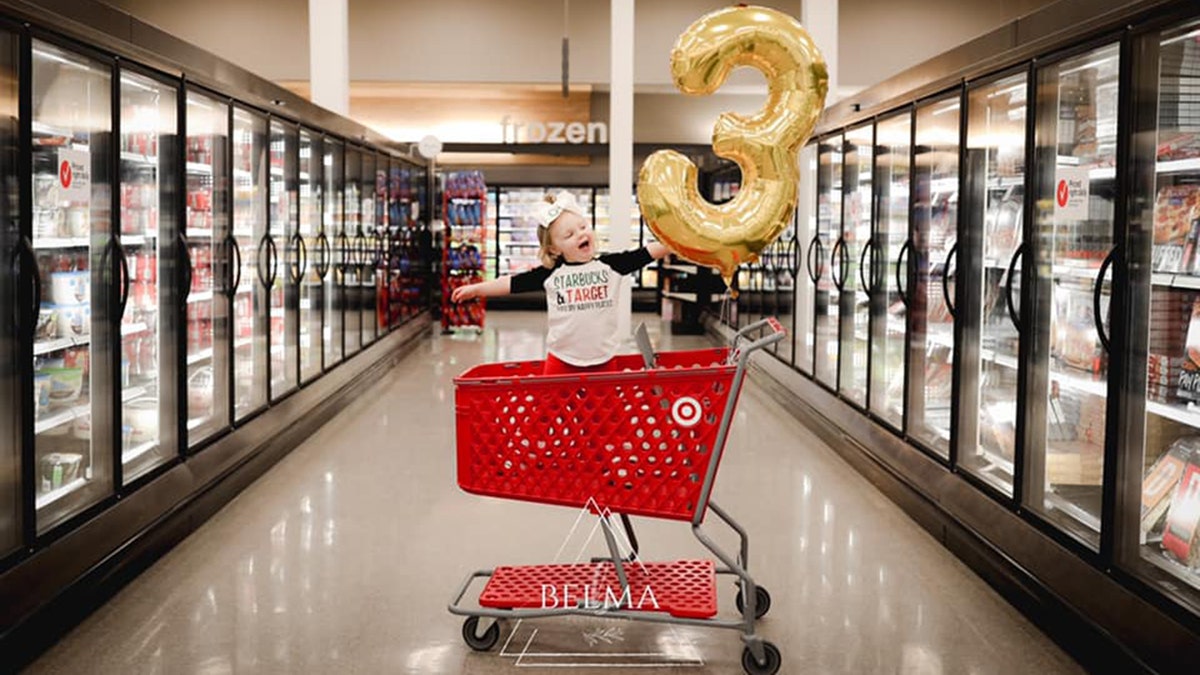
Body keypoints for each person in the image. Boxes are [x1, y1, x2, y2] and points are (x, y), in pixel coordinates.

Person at [451, 191, 669, 375]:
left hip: (603, 358)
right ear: (554, 249)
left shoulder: (611, 265)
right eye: (569, 234)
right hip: (562, 360)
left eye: (583, 227)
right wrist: (477, 288)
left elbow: (645, 253)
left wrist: (679, 242)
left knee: (602, 420)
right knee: (552, 415)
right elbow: (513, 283)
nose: (580, 234)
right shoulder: (551, 273)